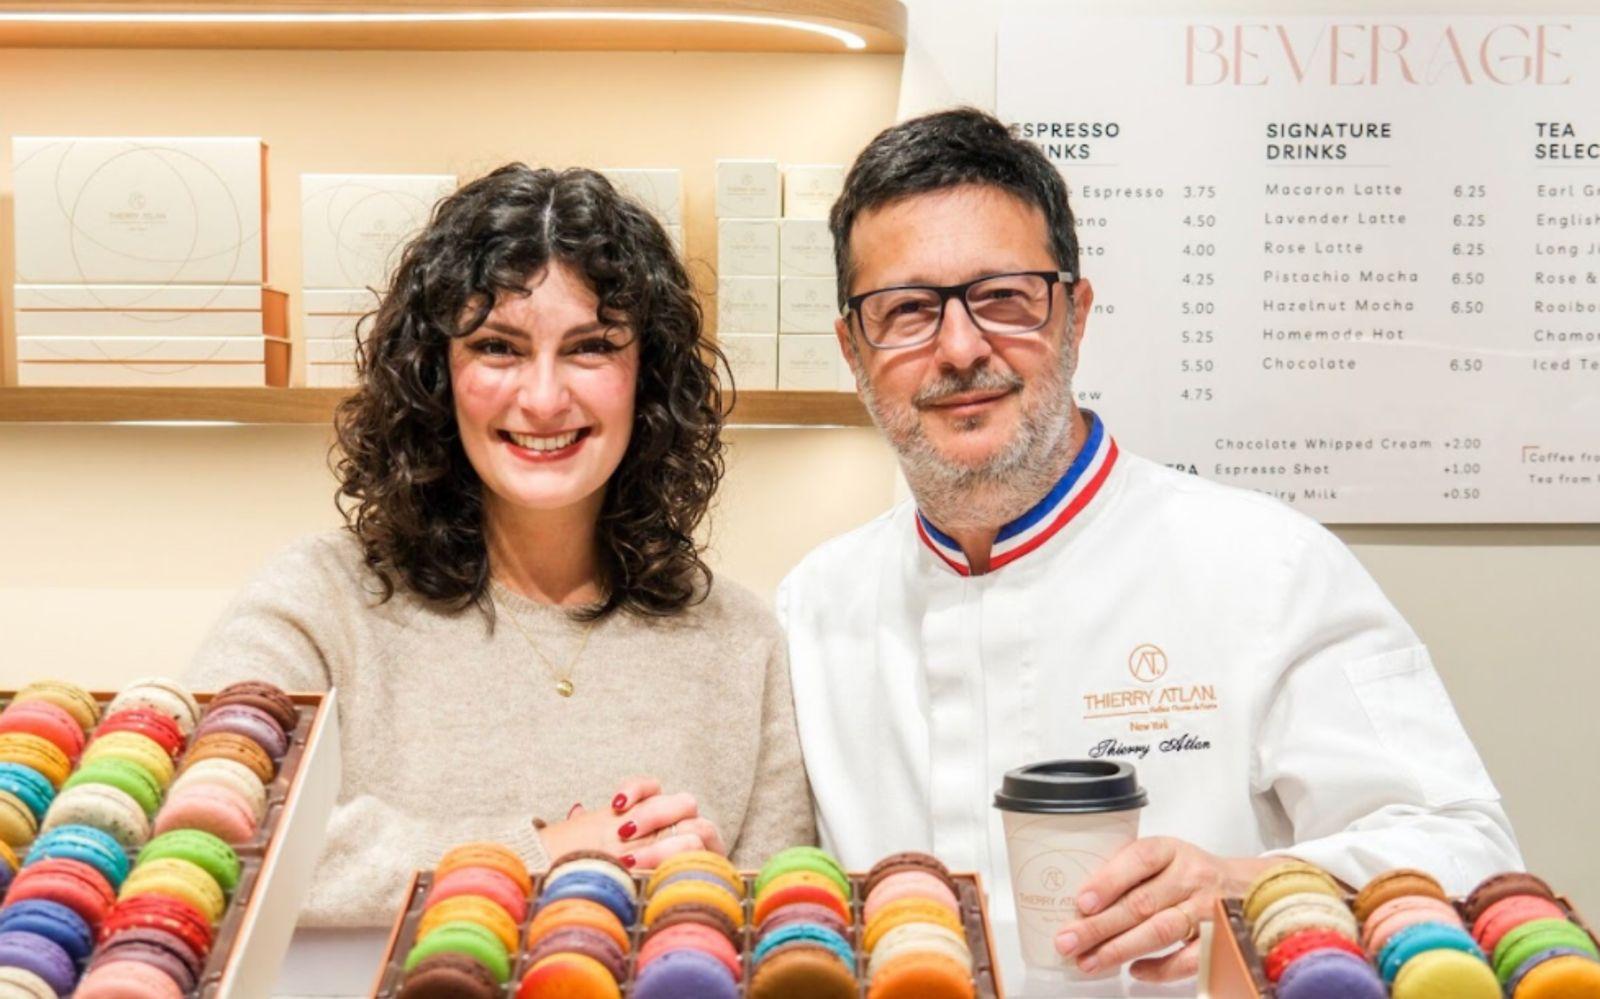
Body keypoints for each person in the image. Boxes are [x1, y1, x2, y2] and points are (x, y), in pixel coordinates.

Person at [775, 108, 1520, 986]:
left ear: (1075, 314)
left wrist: (1246, 887)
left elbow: (1470, 851)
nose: (961, 347)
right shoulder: (812, 607)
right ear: (853, 350)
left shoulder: (1266, 566)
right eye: (907, 311)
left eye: (1004, 298)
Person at [189, 164, 814, 928]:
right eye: (497, 347)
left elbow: (783, 935)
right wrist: (543, 856)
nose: (544, 397)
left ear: (647, 379)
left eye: (590, 347)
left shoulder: (741, 642)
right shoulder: (318, 602)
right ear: (434, 372)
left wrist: (706, 905)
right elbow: (208, 840)